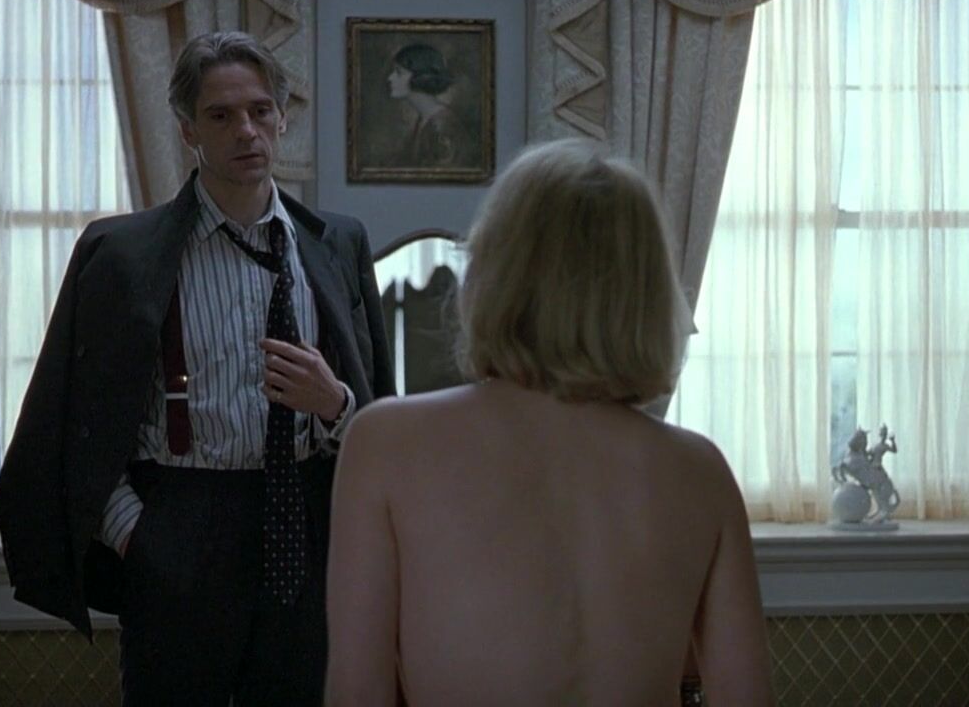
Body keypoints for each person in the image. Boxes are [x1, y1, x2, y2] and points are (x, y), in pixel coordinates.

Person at [0, 31, 393, 705]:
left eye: (260, 111)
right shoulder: (122, 254)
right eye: (221, 115)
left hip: (306, 522)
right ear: (187, 130)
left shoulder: (337, 244)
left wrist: (335, 404)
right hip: (181, 518)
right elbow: (73, 418)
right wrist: (136, 535)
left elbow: (379, 412)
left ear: (282, 119)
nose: (246, 131)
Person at [325, 139, 773, 705]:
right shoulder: (700, 471)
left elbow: (358, 693)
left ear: (495, 272)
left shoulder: (387, 444)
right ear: (647, 292)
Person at [385, 43, 472, 168]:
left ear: (421, 76)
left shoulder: (441, 126)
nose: (390, 78)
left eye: (399, 73)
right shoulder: (425, 118)